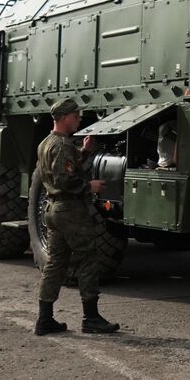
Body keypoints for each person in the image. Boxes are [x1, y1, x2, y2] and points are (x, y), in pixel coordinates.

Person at [34, 98, 121, 335]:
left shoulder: (46, 143)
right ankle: (91, 318)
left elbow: (62, 169)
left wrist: (84, 151)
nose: (79, 119)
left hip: (53, 210)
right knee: (88, 260)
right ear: (64, 118)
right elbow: (64, 180)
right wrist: (89, 186)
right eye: (75, 116)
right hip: (70, 210)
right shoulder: (62, 145)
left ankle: (44, 318)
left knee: (55, 263)